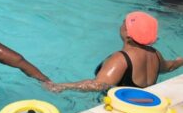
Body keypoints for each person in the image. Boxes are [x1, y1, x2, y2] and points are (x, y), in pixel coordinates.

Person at [45, 12, 183, 92]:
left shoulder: (120, 59)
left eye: (124, 23)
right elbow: (170, 66)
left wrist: (62, 86)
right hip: (143, 101)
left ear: (129, 34)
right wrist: (180, 60)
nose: (121, 24)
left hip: (123, 106)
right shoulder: (155, 54)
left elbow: (98, 85)